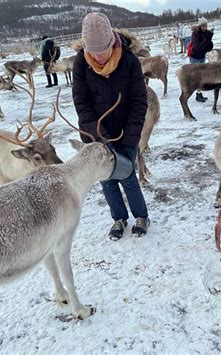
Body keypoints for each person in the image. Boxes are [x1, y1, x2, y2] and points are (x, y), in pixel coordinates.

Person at [72, 12, 150, 241]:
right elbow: (81, 103)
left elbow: (139, 102)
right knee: (106, 179)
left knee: (127, 175)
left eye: (102, 51)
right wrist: (99, 137)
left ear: (112, 43)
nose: (98, 57)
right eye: (92, 52)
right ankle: (119, 218)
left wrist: (130, 137)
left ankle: (141, 216)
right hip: (95, 135)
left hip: (126, 132)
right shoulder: (81, 62)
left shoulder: (129, 60)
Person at [189, 17, 214, 102]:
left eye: (206, 26)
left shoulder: (206, 33)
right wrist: (206, 40)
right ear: (200, 26)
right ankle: (197, 95)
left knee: (201, 76)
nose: (205, 28)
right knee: (197, 77)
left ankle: (199, 94)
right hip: (194, 57)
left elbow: (207, 48)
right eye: (203, 26)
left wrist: (210, 42)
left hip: (202, 57)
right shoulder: (195, 34)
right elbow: (198, 47)